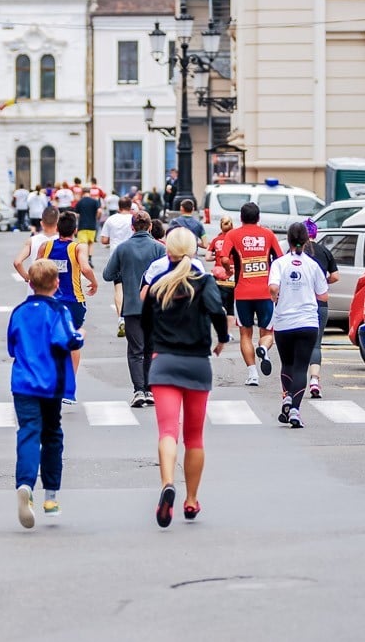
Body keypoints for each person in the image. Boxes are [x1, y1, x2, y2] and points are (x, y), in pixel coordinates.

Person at [142, 227, 230, 528]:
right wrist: (222, 338)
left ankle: (167, 483)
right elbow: (217, 310)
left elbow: (145, 323)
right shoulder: (204, 282)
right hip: (197, 364)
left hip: (164, 362)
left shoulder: (157, 284)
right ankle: (191, 500)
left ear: (168, 251)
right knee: (194, 437)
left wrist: (157, 348)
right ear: (193, 252)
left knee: (168, 432)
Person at [8, 259, 84, 528]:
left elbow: (11, 346)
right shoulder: (58, 310)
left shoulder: (18, 312)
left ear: (30, 283)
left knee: (28, 432)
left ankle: (25, 485)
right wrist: (80, 336)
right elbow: (66, 340)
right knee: (52, 435)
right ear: (56, 283)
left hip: (22, 383)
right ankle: (50, 496)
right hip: (50, 383)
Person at [103, 211, 166, 408]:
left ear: (132, 227)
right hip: (155, 307)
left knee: (135, 350)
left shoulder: (123, 249)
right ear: (149, 227)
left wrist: (124, 271)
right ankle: (150, 389)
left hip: (131, 306)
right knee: (151, 348)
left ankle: (138, 390)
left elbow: (107, 274)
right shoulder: (159, 248)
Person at [268, 222, 328, 429]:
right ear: (306, 239)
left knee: (287, 364)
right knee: (302, 367)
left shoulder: (279, 263)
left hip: (284, 321)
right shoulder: (313, 265)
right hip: (307, 322)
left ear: (289, 239)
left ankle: (287, 398)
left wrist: (277, 297)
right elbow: (323, 294)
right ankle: (295, 409)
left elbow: (273, 287)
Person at [218, 202, 283, 386]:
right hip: (265, 292)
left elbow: (223, 258)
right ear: (258, 217)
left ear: (241, 217)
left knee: (245, 333)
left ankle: (253, 374)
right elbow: (279, 259)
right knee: (268, 331)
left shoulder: (233, 234)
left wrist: (228, 270)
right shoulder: (268, 235)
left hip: (242, 292)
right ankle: (263, 347)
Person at [37, 211, 98, 389]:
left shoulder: (45, 247)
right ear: (75, 230)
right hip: (74, 300)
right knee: (73, 339)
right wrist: (94, 282)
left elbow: (36, 269)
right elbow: (85, 268)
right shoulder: (78, 247)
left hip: (49, 301)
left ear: (57, 228)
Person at [302, 219, 339, 399]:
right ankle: (315, 381)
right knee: (316, 344)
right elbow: (335, 276)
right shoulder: (325, 251)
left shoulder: (296, 252)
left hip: (300, 304)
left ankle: (297, 381)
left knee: (299, 344)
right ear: (315, 233)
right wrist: (323, 283)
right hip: (320, 304)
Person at [101, 197, 139, 338]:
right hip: (133, 254)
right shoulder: (134, 219)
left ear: (119, 206)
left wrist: (115, 238)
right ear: (130, 206)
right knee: (135, 286)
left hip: (116, 256)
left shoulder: (111, 220)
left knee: (119, 288)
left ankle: (121, 318)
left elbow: (104, 240)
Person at [13, 206, 60, 290]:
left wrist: (27, 277)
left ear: (41, 223)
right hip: (56, 287)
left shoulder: (32, 240)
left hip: (36, 287)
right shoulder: (62, 241)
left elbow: (17, 262)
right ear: (57, 223)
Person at [205, 216, 237, 335]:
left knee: (220, 301)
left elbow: (207, 257)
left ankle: (220, 312)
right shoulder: (235, 240)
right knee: (230, 308)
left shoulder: (216, 240)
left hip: (218, 276)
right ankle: (227, 333)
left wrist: (216, 256)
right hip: (232, 276)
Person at [74, 190, 101, 267]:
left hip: (82, 226)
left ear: (83, 193)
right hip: (92, 226)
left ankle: (83, 260)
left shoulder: (80, 202)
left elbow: (76, 214)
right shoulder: (94, 201)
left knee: (83, 244)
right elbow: (99, 211)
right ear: (89, 193)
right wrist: (97, 218)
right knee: (90, 243)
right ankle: (89, 259)